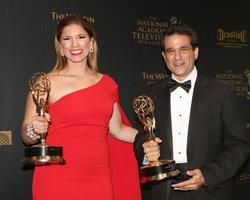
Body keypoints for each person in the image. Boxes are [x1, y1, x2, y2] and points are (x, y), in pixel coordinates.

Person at [21, 15, 141, 200]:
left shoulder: (108, 83)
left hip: (99, 179)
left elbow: (117, 130)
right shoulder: (45, 83)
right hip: (56, 177)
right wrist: (33, 129)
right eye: (67, 39)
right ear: (60, 46)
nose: (74, 45)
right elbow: (26, 136)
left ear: (91, 42)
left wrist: (149, 137)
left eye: (81, 37)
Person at [133, 23, 249, 200]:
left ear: (195, 52)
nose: (177, 57)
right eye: (171, 51)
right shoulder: (150, 93)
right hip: (164, 191)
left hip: (209, 191)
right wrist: (146, 150)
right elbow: (142, 136)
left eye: (184, 49)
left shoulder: (221, 92)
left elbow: (239, 145)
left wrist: (208, 175)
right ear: (164, 56)